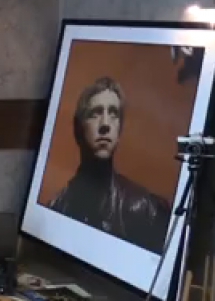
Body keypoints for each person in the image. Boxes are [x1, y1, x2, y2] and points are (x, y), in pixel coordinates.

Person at [48, 77, 171, 254]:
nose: (105, 124)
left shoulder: (146, 210)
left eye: (113, 114)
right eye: (95, 113)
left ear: (119, 131)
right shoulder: (58, 207)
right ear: (78, 129)